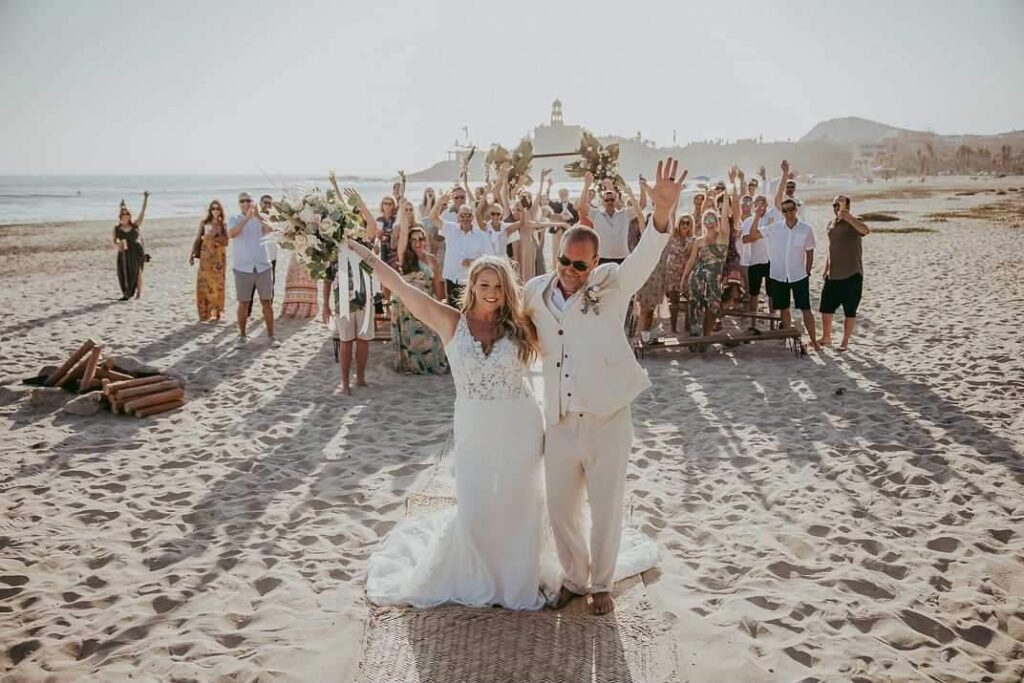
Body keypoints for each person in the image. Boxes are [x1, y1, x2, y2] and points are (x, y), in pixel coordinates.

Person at [521, 157, 684, 615]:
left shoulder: (612, 285)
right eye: (564, 262)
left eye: (580, 264)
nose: (571, 271)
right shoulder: (534, 291)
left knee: (606, 507)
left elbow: (644, 258)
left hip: (609, 418)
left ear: (594, 263)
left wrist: (662, 215)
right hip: (558, 419)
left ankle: (603, 583)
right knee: (560, 510)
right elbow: (510, 324)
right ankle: (575, 577)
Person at [359, 250, 554, 610]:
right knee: (476, 505)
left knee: (520, 501)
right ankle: (479, 575)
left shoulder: (523, 326)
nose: (492, 292)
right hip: (474, 427)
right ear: (472, 287)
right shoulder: (451, 322)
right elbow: (400, 286)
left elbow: (564, 345)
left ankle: (517, 580)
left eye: (498, 286)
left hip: (521, 424)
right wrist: (359, 250)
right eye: (484, 285)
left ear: (507, 289)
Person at [747, 196, 819, 349]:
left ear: (796, 210)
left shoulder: (806, 228)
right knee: (784, 309)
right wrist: (757, 217)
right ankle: (786, 338)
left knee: (806, 309)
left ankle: (814, 341)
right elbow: (753, 235)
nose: (788, 213)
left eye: (791, 209)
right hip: (778, 275)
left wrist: (807, 270)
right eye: (785, 210)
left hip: (799, 275)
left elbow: (810, 251)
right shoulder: (775, 227)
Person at [391, 226, 449, 374]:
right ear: (409, 242)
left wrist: (440, 303)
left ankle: (430, 365)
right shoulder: (405, 259)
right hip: (409, 304)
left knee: (433, 336)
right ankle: (412, 365)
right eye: (414, 240)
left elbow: (437, 284)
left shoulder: (432, 260)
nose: (418, 242)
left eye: (421, 239)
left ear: (426, 241)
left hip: (427, 301)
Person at [819, 195, 870, 351]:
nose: (837, 208)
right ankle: (826, 337)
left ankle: (845, 342)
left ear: (848, 206)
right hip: (833, 274)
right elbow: (832, 247)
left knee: (850, 309)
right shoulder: (831, 224)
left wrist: (849, 218)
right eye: (835, 204)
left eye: (840, 204)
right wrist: (826, 267)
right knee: (826, 308)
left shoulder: (855, 221)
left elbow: (866, 230)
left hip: (852, 273)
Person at [229, 192, 278, 347]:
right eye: (242, 201)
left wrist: (257, 216)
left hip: (263, 266)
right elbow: (232, 234)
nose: (245, 203)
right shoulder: (234, 219)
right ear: (239, 204)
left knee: (266, 303)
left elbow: (271, 230)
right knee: (243, 303)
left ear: (253, 202)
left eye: (248, 200)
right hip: (243, 268)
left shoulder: (260, 218)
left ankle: (271, 336)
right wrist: (246, 218)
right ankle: (242, 336)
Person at [321, 252, 374, 395]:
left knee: (364, 340)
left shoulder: (364, 248)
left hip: (364, 300)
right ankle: (345, 383)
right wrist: (325, 305)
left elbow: (374, 271)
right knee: (346, 341)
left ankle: (360, 378)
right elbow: (327, 280)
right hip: (343, 302)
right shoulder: (333, 253)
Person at [430, 192, 493, 307]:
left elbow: (489, 258)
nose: (465, 218)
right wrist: (440, 201)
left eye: (468, 215)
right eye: (462, 215)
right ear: (458, 216)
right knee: (453, 314)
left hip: (471, 281)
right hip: (452, 278)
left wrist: (473, 261)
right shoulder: (450, 229)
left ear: (472, 217)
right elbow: (433, 218)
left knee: (470, 312)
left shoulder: (481, 236)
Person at [680, 209, 729, 343]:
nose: (709, 223)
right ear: (703, 223)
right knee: (694, 302)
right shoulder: (699, 240)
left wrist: (727, 194)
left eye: (712, 219)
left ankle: (707, 335)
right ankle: (695, 333)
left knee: (713, 304)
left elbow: (725, 216)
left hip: (714, 277)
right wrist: (684, 278)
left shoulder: (723, 236)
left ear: (717, 221)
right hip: (699, 274)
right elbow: (691, 260)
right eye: (706, 220)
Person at [577, 172, 644, 265]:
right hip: (602, 258)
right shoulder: (596, 214)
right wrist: (586, 185)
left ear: (616, 200)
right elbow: (581, 206)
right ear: (603, 202)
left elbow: (641, 206)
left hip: (623, 258)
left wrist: (631, 193)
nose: (609, 202)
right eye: (607, 200)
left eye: (612, 199)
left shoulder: (625, 214)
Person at [740, 194, 780, 329]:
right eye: (758, 203)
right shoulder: (748, 221)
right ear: (754, 205)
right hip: (755, 261)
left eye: (763, 203)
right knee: (753, 294)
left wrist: (756, 235)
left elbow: (773, 235)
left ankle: (773, 324)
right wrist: (758, 231)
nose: (761, 206)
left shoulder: (771, 219)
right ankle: (753, 323)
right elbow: (746, 239)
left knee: (772, 293)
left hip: (770, 260)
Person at [189, 199, 229, 321]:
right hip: (205, 258)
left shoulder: (223, 225)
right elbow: (197, 239)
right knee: (203, 284)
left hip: (218, 259)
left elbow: (226, 242)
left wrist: (216, 237)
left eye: (217, 209)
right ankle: (204, 312)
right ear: (210, 210)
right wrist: (192, 253)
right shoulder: (204, 223)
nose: (215, 211)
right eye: (213, 208)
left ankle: (216, 311)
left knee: (217, 285)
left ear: (220, 211)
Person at [113, 191, 149, 300]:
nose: (125, 215)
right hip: (123, 252)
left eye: (127, 214)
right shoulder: (117, 229)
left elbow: (142, 213)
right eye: (123, 214)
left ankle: (138, 293)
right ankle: (126, 293)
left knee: (137, 272)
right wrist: (119, 243)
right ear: (120, 216)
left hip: (135, 251)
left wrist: (145, 199)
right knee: (123, 273)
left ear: (130, 215)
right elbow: (114, 240)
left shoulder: (135, 225)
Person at [663, 214, 695, 334]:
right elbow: (671, 215)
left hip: (686, 272)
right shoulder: (672, 237)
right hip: (672, 272)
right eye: (683, 222)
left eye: (688, 223)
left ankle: (687, 327)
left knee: (689, 300)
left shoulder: (693, 239)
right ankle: (673, 328)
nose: (685, 225)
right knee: (674, 301)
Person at [279, 251, 319, 319]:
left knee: (308, 273)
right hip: (296, 248)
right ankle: (291, 306)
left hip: (311, 249)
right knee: (293, 273)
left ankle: (307, 307)